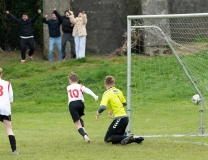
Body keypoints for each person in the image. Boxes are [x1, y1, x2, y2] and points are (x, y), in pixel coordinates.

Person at [95, 76, 144, 145]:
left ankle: (130, 137)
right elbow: (124, 103)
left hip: (119, 118)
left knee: (107, 138)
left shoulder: (106, 93)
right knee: (115, 141)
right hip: (125, 118)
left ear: (105, 85)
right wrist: (112, 110)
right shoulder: (118, 91)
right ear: (113, 84)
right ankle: (136, 139)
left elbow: (103, 107)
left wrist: (97, 113)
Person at [67, 72, 98, 143]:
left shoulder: (68, 87)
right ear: (77, 80)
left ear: (70, 81)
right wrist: (94, 96)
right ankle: (83, 128)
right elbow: (88, 90)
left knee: (77, 123)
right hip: (80, 104)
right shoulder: (81, 86)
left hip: (72, 104)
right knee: (80, 117)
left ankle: (84, 135)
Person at [0, 68, 18, 155]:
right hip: (5, 108)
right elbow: (11, 99)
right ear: (1, 74)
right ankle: (14, 150)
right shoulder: (7, 84)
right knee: (9, 129)